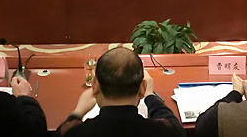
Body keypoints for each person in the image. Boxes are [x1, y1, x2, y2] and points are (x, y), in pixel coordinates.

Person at [55, 47, 184, 137]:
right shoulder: (161, 131)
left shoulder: (76, 132)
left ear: (95, 86)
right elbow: (176, 128)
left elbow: (61, 133)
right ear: (142, 88)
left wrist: (77, 112)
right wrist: (150, 97)